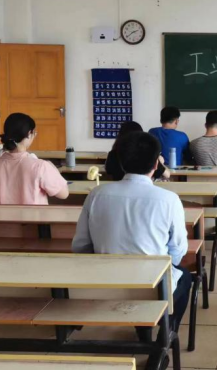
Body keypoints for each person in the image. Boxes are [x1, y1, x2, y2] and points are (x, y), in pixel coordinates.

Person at [72, 131, 191, 330]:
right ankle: (167, 334)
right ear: (156, 164)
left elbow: (80, 246)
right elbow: (178, 251)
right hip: (152, 287)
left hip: (102, 284)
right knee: (185, 277)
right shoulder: (169, 199)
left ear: (120, 162)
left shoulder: (96, 195)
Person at [0, 113, 69, 205]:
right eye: (34, 133)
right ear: (29, 134)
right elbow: (64, 194)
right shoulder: (40, 166)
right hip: (33, 215)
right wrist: (52, 168)